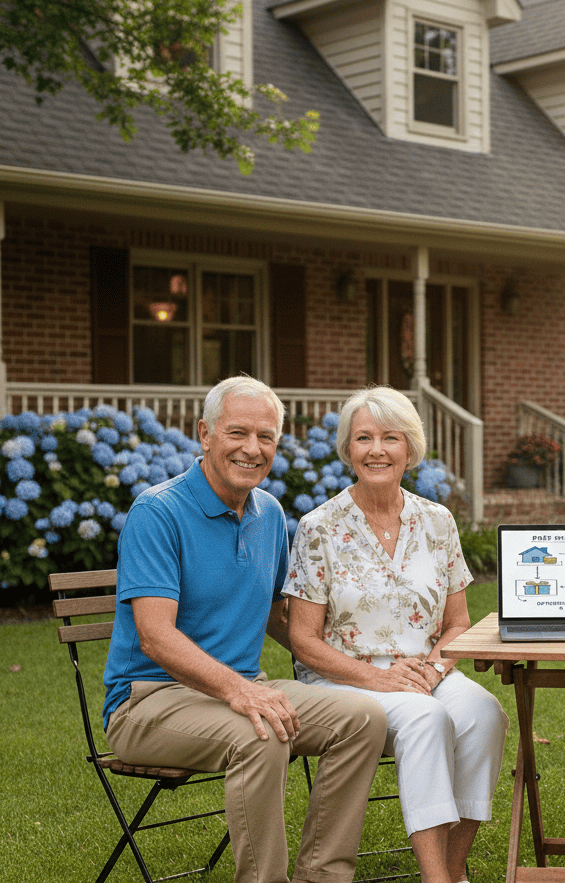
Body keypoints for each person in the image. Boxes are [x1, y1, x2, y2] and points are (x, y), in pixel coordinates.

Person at [102, 375, 388, 883]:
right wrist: (240, 691)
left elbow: (283, 617)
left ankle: (323, 876)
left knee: (363, 717)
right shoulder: (157, 512)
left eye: (266, 437)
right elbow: (155, 636)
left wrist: (357, 665)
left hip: (240, 690)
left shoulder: (270, 513)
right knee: (262, 735)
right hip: (147, 701)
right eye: (237, 433)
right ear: (204, 433)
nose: (252, 449)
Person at [284, 386, 509, 883]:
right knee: (425, 717)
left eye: (390, 437)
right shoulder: (318, 528)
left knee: (483, 713)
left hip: (424, 669)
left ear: (410, 448)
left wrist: (431, 669)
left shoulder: (437, 521)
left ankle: (453, 869)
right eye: (363, 438)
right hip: (343, 678)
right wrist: (380, 679)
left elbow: (457, 623)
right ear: (348, 450)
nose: (376, 450)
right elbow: (304, 641)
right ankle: (436, 880)